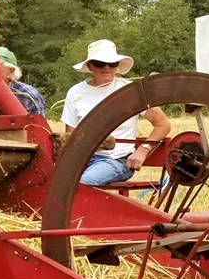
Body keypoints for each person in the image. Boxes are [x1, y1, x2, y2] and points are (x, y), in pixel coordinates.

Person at [61, 39, 171, 186]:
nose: (107, 68)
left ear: (117, 65)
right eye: (100, 63)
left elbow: (163, 125)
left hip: (117, 160)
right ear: (90, 66)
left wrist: (143, 150)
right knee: (52, 184)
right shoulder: (76, 92)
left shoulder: (130, 90)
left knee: (80, 185)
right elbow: (71, 137)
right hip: (82, 160)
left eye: (112, 63)